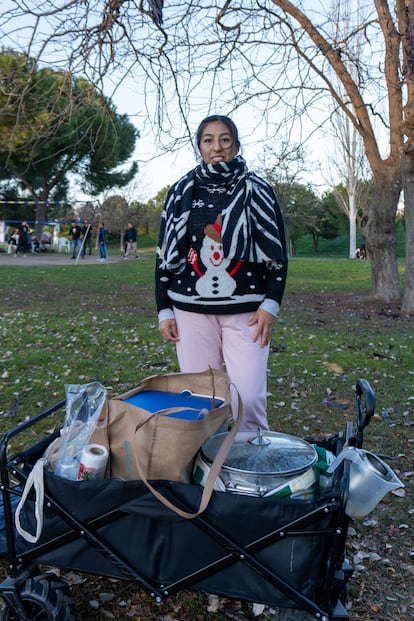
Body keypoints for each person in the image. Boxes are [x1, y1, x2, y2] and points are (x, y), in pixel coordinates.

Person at [155, 115, 288, 430]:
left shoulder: (258, 189)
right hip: (189, 312)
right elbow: (164, 256)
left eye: (225, 139)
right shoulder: (181, 191)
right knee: (202, 399)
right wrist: (163, 309)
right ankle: (205, 468)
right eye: (209, 140)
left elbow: (277, 251)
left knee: (249, 398)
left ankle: (250, 463)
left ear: (236, 145)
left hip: (248, 314)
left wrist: (272, 303)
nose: (217, 147)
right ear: (200, 146)